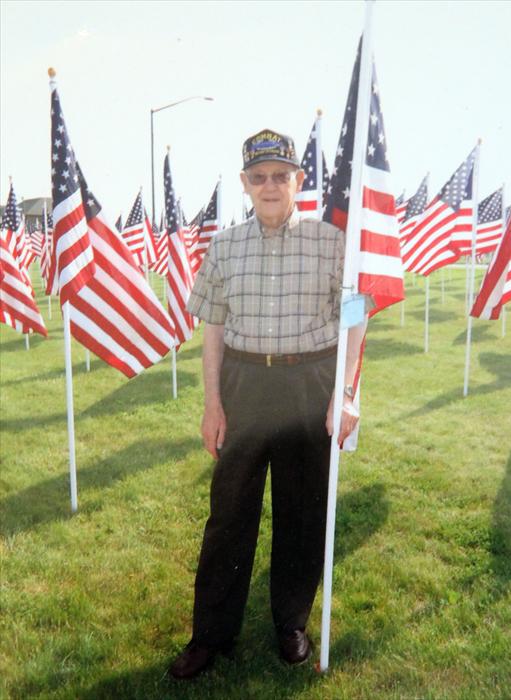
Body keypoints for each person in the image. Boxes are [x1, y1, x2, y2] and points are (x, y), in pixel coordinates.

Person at [169, 129, 366, 680]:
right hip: (246, 384)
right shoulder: (224, 246)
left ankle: (291, 622)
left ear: (299, 180)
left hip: (308, 383)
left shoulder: (332, 242)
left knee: (303, 513)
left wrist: (344, 393)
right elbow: (212, 330)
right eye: (260, 177)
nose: (271, 185)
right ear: (245, 184)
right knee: (229, 515)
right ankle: (211, 634)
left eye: (282, 175)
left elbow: (356, 318)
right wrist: (213, 403)